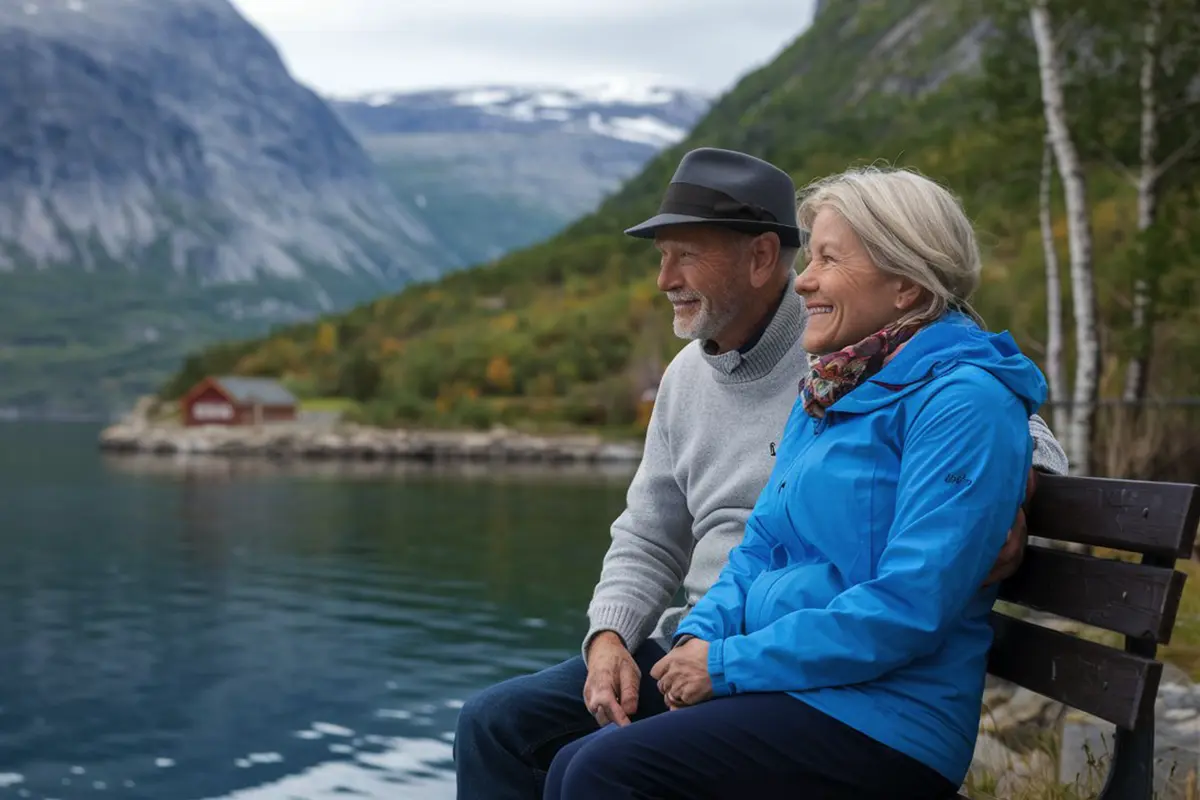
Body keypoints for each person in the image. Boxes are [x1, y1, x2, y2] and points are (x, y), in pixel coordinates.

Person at [452, 149, 1069, 800]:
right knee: (497, 725)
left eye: (685, 254)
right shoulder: (825, 386)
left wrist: (1002, 500)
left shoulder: (858, 352)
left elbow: (996, 432)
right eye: (661, 256)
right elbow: (665, 536)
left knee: (596, 768)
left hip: (835, 682)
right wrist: (618, 637)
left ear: (759, 257)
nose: (664, 278)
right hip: (733, 643)